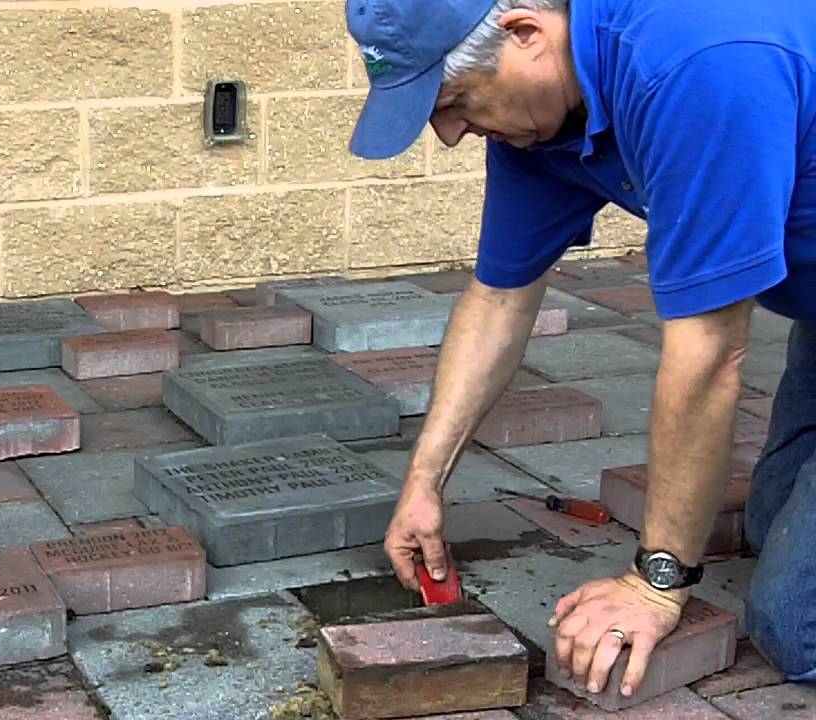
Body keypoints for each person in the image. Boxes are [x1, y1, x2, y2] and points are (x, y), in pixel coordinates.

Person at [344, 0, 816, 699]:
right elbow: (499, 298)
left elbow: (710, 353)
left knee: (794, 623)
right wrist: (424, 483)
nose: (448, 135)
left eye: (455, 101)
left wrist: (658, 582)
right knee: (773, 517)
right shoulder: (542, 119)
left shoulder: (697, 63)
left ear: (525, 34)